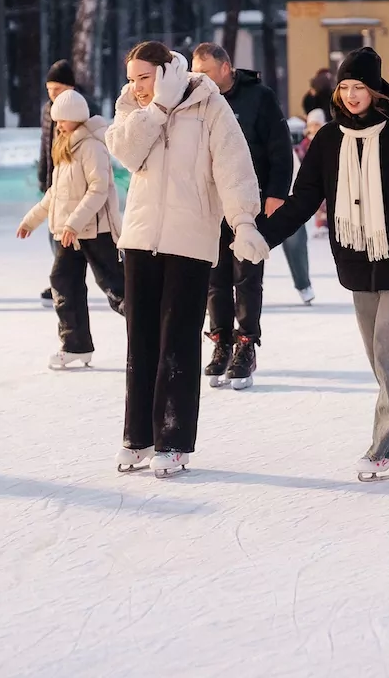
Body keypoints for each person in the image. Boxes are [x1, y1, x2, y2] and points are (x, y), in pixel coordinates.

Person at [259, 47, 389, 482]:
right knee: (384, 361)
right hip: (357, 262)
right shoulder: (328, 140)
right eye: (344, 87)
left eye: (358, 86)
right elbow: (304, 199)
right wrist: (265, 236)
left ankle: (387, 450)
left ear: (375, 89)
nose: (350, 95)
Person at [106, 44, 269, 478]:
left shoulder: (207, 102)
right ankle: (138, 437)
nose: (137, 87)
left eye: (145, 77)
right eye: (132, 78)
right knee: (140, 342)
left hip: (190, 241)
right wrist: (157, 107)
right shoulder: (133, 106)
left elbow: (233, 166)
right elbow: (125, 152)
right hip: (140, 238)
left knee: (177, 342)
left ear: (165, 70)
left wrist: (243, 222)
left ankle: (174, 441)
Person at [190, 42, 306, 392]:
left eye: (205, 72)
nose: (199, 78)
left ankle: (246, 344)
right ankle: (221, 341)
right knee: (215, 277)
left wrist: (276, 193)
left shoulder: (259, 97)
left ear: (225, 68)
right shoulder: (196, 99)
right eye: (195, 72)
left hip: (251, 203)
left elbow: (279, 147)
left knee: (247, 275)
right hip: (211, 203)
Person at [17, 89, 125, 370]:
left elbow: (99, 189)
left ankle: (155, 334)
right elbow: (56, 194)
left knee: (117, 288)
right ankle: (75, 345)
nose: (58, 125)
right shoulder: (66, 147)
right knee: (63, 282)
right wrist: (31, 220)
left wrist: (73, 223)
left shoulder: (91, 146)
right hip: (71, 233)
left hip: (96, 231)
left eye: (62, 120)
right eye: (56, 120)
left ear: (76, 117)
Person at [39, 60, 94, 303]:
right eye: (49, 90)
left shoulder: (83, 108)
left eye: (58, 89)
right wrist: (44, 175)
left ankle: (118, 284)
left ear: (71, 88)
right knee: (57, 234)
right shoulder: (47, 110)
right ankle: (63, 282)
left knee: (90, 241)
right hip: (56, 181)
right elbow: (45, 144)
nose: (53, 95)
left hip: (80, 183)